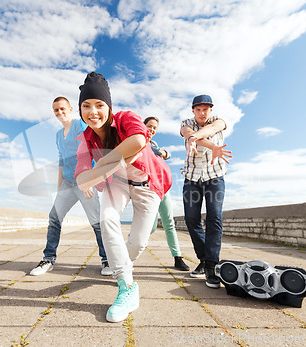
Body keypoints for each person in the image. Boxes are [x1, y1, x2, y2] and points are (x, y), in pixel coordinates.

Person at [75, 72, 172, 323]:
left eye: (99, 105)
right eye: (86, 106)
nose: (92, 112)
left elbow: (138, 140)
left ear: (109, 107)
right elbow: (81, 176)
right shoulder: (85, 138)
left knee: (138, 242)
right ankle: (127, 288)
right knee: (107, 219)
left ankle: (121, 266)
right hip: (116, 184)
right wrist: (92, 177)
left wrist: (102, 167)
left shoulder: (126, 118)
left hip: (146, 184)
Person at [30, 96, 112, 276]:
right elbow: (61, 163)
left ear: (70, 109)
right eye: (56, 110)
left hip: (84, 182)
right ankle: (48, 259)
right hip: (67, 183)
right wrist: (59, 188)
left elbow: (89, 151)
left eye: (62, 109)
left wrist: (89, 181)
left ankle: (107, 261)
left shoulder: (79, 126)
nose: (59, 113)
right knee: (54, 218)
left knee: (97, 223)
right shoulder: (58, 135)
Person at [180, 95, 232, 288]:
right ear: (193, 110)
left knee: (214, 217)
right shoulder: (186, 123)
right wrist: (206, 143)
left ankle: (211, 265)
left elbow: (212, 129)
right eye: (198, 110)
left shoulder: (219, 121)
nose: (202, 113)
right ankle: (204, 258)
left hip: (215, 178)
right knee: (191, 219)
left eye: (205, 109)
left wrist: (197, 137)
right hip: (192, 178)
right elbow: (188, 133)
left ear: (210, 110)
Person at [143, 116, 189, 271]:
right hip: (147, 189)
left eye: (155, 127)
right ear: (143, 126)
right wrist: (161, 152)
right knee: (150, 228)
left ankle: (178, 257)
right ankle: (128, 248)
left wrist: (165, 152)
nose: (152, 129)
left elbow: (166, 154)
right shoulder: (139, 141)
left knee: (169, 223)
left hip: (163, 187)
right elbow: (151, 153)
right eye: (149, 126)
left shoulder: (154, 143)